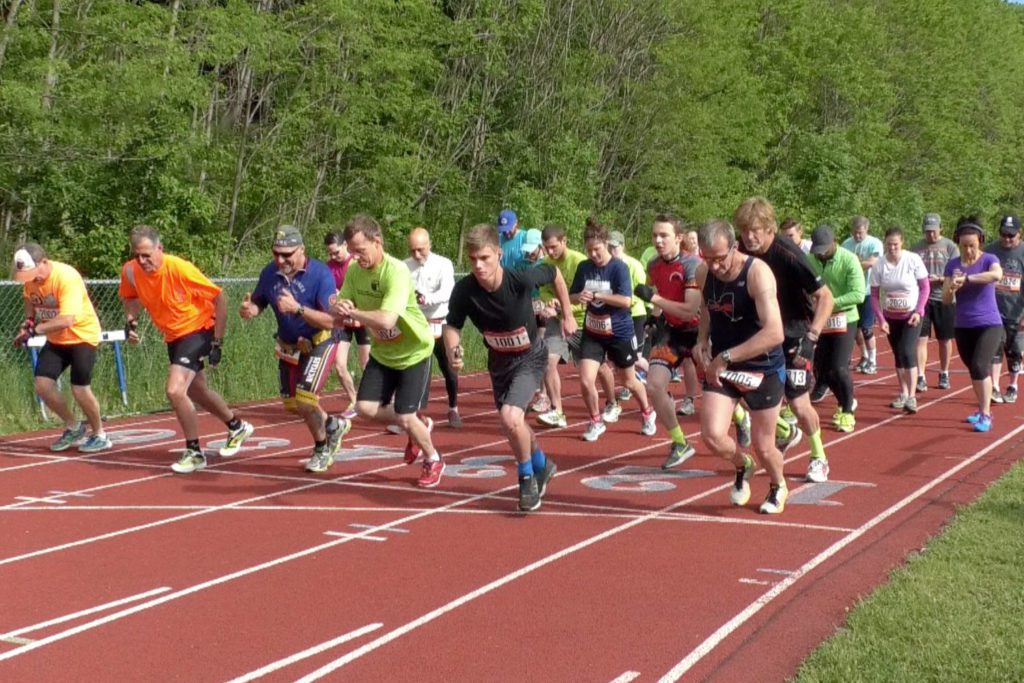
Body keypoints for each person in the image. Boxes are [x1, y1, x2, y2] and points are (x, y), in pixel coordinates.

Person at [444, 224, 577, 511]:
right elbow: (452, 325)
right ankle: (542, 463)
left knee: (509, 417)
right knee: (514, 423)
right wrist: (453, 349)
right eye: (473, 259)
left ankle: (526, 478)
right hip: (499, 362)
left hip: (530, 356)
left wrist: (567, 314)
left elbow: (554, 274)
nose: (478, 266)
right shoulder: (465, 290)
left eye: (485, 258)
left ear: (499, 255)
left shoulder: (520, 279)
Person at [119, 225, 254, 473]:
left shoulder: (179, 268)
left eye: (147, 254)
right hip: (173, 336)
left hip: (199, 328)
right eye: (137, 255)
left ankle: (194, 452)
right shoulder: (130, 271)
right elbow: (130, 297)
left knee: (174, 390)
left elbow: (219, 298)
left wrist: (217, 342)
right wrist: (131, 322)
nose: (142, 260)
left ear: (160, 249)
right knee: (197, 391)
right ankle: (237, 426)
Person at [331, 214, 444, 488]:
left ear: (377, 242)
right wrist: (337, 304)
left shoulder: (396, 272)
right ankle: (417, 424)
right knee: (364, 408)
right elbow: (341, 300)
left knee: (405, 416)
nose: (356, 258)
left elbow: (386, 321)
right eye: (353, 252)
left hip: (414, 351)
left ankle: (433, 458)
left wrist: (355, 313)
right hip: (384, 353)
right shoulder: (355, 271)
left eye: (361, 250)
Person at [735, 198, 834, 484]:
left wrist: (811, 338)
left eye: (755, 230)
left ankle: (818, 456)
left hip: (793, 334)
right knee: (744, 395)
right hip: (760, 335)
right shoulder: (740, 252)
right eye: (744, 231)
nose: (749, 237)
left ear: (769, 229)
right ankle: (784, 431)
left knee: (800, 404)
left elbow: (825, 297)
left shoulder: (788, 254)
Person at [694, 219, 789, 514]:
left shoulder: (757, 273)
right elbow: (707, 309)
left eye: (720, 259)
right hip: (725, 364)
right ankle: (742, 464)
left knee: (764, 446)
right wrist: (701, 340)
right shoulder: (703, 272)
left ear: (735, 247)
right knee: (711, 434)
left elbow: (775, 333)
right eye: (707, 258)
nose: (715, 266)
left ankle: (778, 484)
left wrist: (727, 356)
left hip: (762, 366)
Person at [240, 226, 345, 473]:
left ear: (301, 251)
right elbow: (259, 302)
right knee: (292, 404)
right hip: (289, 346)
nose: (281, 260)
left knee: (306, 401)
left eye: (287, 254)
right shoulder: (269, 272)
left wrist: (297, 309)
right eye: (276, 253)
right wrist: (249, 310)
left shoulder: (320, 274)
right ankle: (332, 424)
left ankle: (321, 449)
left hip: (320, 341)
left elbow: (332, 321)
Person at [11, 244, 110, 453]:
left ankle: (100, 434)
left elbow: (67, 319)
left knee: (80, 389)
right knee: (42, 385)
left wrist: (36, 330)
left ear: (44, 262)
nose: (30, 279)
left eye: (31, 273)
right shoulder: (31, 281)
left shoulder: (66, 277)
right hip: (57, 339)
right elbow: (29, 299)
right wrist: (28, 323)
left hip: (82, 336)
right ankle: (74, 427)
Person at [570, 218, 657, 442]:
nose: (593, 255)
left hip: (619, 331)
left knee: (628, 381)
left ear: (606, 245)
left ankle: (647, 411)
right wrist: (578, 297)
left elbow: (626, 300)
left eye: (597, 250)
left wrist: (598, 295)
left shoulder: (619, 267)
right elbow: (572, 295)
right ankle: (596, 421)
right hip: (593, 332)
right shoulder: (584, 267)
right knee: (586, 380)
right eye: (589, 251)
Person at [632, 214, 701, 469]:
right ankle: (680, 442)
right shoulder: (653, 265)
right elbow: (656, 294)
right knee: (653, 386)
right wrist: (652, 317)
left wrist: (655, 300)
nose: (658, 241)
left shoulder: (692, 265)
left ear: (679, 238)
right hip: (671, 332)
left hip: (699, 332)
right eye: (655, 235)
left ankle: (741, 416)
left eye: (664, 236)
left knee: (721, 386)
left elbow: (690, 310)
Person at [534, 224, 617, 428]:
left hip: (583, 323)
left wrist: (566, 308)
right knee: (547, 362)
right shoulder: (545, 264)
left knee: (599, 369)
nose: (550, 252)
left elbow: (589, 298)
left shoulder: (580, 261)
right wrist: (549, 303)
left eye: (554, 247)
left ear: (564, 241)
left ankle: (612, 402)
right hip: (556, 322)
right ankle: (557, 411)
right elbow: (544, 291)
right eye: (546, 248)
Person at [944, 218, 1005, 432]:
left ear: (980, 241)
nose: (968, 250)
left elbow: (997, 275)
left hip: (989, 323)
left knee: (980, 366)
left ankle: (986, 414)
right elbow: (945, 299)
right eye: (964, 246)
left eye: (972, 245)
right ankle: (981, 409)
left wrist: (968, 279)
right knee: (974, 370)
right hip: (963, 325)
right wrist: (952, 285)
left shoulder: (989, 259)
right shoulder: (952, 265)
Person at [805, 226, 865, 433]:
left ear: (835, 242)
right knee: (822, 370)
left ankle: (847, 411)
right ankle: (845, 401)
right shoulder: (810, 259)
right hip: (821, 320)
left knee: (839, 367)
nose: (821, 253)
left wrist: (829, 303)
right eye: (817, 249)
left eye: (825, 248)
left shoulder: (849, 260)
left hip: (845, 318)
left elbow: (858, 294)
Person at [870, 226, 930, 413]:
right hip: (890, 316)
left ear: (902, 242)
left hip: (911, 316)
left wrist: (919, 311)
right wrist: (881, 319)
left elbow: (925, 288)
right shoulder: (879, 264)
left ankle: (912, 396)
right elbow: (873, 294)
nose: (892, 248)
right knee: (898, 355)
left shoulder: (913, 259)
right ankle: (903, 392)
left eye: (895, 244)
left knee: (907, 351)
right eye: (889, 245)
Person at [405, 226, 460, 427]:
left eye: (421, 249)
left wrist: (426, 298)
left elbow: (448, 292)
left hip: (442, 323)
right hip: (419, 325)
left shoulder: (443, 264)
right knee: (417, 368)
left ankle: (453, 408)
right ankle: (413, 414)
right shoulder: (404, 266)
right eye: (413, 250)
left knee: (449, 367)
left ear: (429, 244)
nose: (417, 254)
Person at [324, 232, 369, 419]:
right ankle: (355, 400)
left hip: (362, 319)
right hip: (343, 321)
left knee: (367, 364)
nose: (333, 257)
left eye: (335, 252)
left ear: (344, 246)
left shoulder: (356, 264)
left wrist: (358, 313)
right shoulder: (328, 268)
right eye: (329, 253)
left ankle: (378, 399)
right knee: (339, 365)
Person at [912, 213, 958, 392]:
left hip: (944, 297)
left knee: (944, 339)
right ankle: (921, 375)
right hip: (922, 299)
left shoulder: (950, 246)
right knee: (921, 339)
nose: (930, 235)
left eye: (933, 231)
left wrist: (939, 278)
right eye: (927, 231)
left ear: (941, 228)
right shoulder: (916, 247)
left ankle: (944, 372)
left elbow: (957, 271)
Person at [984, 215, 1024, 404]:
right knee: (995, 348)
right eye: (1003, 234)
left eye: (1011, 235)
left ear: (1019, 233)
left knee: (1014, 350)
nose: (1007, 239)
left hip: (1017, 311)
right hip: (993, 310)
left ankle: (1013, 385)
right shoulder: (991, 251)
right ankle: (994, 387)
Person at [607, 229, 651, 396]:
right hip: (617, 316)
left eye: (615, 247)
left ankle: (655, 379)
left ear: (623, 246)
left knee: (636, 357)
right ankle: (629, 385)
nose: (612, 251)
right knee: (619, 357)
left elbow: (640, 292)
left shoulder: (633, 265)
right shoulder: (606, 266)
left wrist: (624, 302)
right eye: (609, 247)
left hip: (635, 315)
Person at [842, 216, 883, 374]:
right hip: (852, 291)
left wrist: (854, 266)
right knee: (854, 329)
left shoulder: (874, 243)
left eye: (860, 232)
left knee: (867, 328)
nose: (857, 236)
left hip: (867, 291)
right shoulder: (847, 244)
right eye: (855, 232)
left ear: (867, 229)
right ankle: (864, 355)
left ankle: (873, 360)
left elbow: (872, 262)